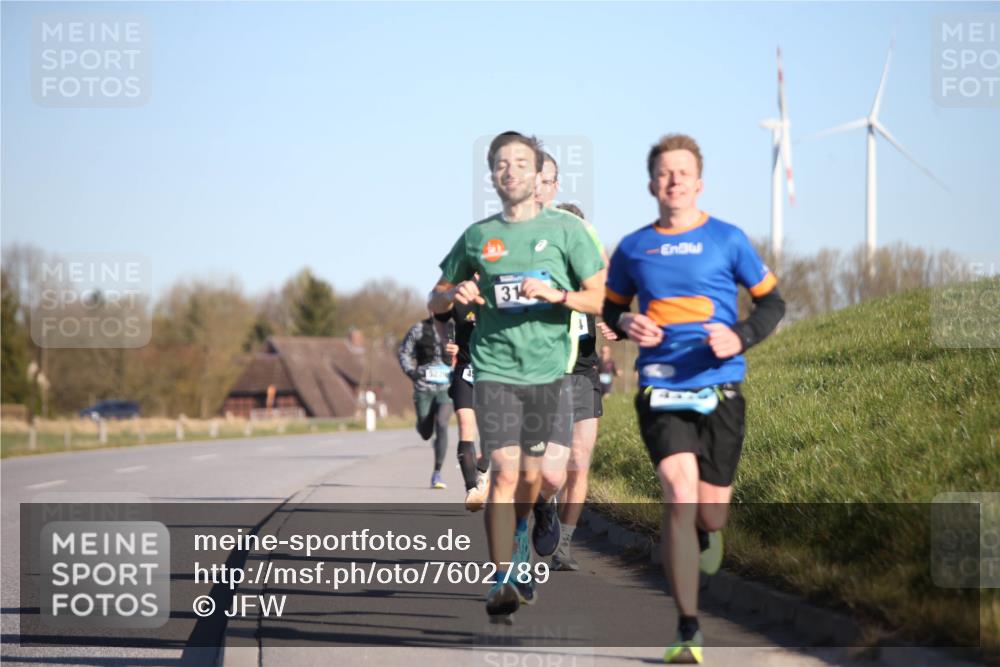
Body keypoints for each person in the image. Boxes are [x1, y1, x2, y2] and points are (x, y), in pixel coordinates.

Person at [603, 134, 785, 663]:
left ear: (699, 183)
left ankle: (709, 535)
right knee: (678, 496)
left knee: (712, 514)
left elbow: (773, 302)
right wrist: (627, 321)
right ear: (651, 185)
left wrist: (742, 336)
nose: (674, 180)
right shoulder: (634, 247)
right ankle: (687, 629)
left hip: (721, 387)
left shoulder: (728, 239)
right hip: (661, 386)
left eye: (683, 172)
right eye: (665, 173)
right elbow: (612, 309)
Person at [428, 131, 605, 622]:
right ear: (493, 176)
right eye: (501, 165)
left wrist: (558, 298)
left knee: (542, 476)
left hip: (554, 372)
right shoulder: (477, 237)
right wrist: (453, 296)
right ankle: (503, 577)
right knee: (505, 473)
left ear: (538, 177)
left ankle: (528, 528)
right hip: (496, 370)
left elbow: (598, 299)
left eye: (521, 165)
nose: (511, 173)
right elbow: (436, 298)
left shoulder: (569, 233)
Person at [529, 193, 612, 571]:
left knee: (581, 461)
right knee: (553, 472)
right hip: (552, 374)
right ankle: (544, 503)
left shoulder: (591, 278)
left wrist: (614, 322)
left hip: (585, 371)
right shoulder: (545, 278)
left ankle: (564, 545)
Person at [436, 297, 490, 511]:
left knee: (492, 436)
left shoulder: (499, 294)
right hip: (465, 372)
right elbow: (436, 309)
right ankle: (472, 490)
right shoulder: (459, 299)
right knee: (466, 427)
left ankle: (483, 470)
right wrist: (445, 345)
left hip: (495, 373)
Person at [398, 312, 455, 489]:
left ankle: (437, 473)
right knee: (426, 432)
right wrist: (411, 372)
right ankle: (422, 425)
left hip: (447, 388)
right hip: (424, 388)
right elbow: (404, 352)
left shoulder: (455, 328)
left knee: (442, 424)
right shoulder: (419, 329)